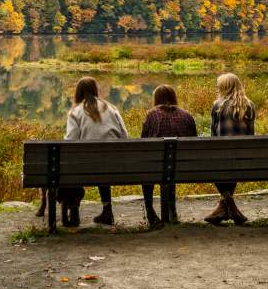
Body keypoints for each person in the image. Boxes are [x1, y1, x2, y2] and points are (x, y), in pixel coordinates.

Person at [64, 76, 128, 226]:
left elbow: (70, 143)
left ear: (78, 93)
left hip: (86, 167)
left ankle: (74, 211)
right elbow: (124, 136)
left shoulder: (75, 112)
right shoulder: (112, 108)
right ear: (95, 90)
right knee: (103, 160)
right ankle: (107, 210)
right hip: (115, 167)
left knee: (70, 163)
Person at [141, 84, 197, 227]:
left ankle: (150, 210)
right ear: (174, 98)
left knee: (151, 167)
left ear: (156, 99)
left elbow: (143, 142)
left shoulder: (152, 115)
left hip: (156, 168)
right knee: (170, 167)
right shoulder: (187, 115)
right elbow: (194, 142)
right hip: (182, 168)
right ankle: (172, 208)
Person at [204, 73, 255, 226]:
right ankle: (227, 208)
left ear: (225, 87)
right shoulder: (250, 105)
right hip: (243, 159)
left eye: (218, 85)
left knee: (210, 165)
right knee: (233, 164)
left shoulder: (218, 105)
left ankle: (227, 205)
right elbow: (251, 134)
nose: (216, 87)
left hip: (222, 158)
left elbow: (214, 135)